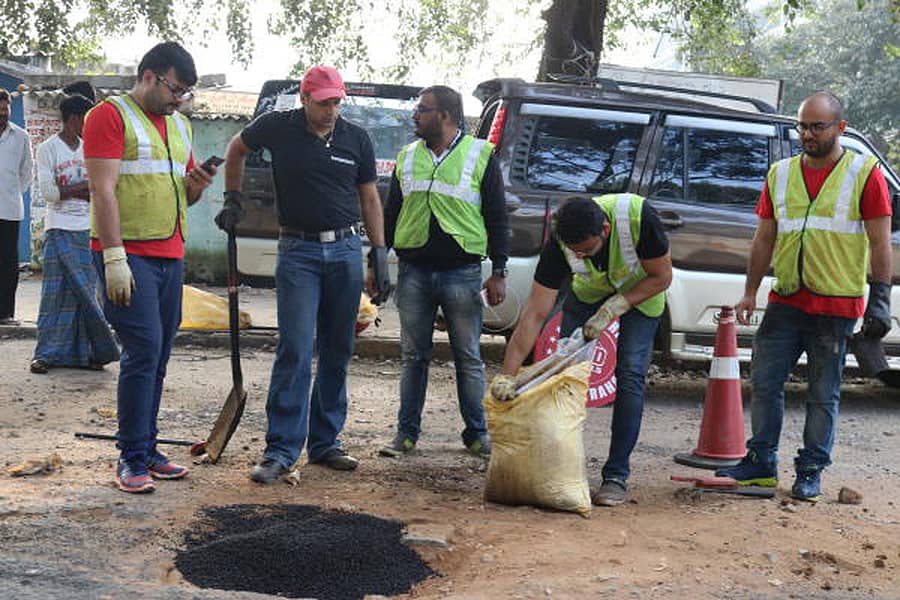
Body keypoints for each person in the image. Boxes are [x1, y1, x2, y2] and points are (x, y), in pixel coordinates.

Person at [217, 65, 391, 484]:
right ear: (305, 98)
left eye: (337, 102)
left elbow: (369, 197)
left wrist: (379, 253)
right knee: (295, 348)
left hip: (346, 249)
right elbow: (236, 149)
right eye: (324, 102)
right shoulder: (277, 127)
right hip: (299, 252)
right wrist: (232, 198)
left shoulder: (356, 138)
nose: (332, 109)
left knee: (337, 348)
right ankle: (280, 449)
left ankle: (325, 442)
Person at [716, 92, 892, 502]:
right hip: (787, 299)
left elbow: (881, 244)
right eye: (803, 126)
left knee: (822, 393)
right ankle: (760, 464)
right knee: (763, 382)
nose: (808, 135)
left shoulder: (864, 173)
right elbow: (764, 237)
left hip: (835, 304)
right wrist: (749, 291)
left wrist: (880, 299)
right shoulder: (780, 173)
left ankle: (810, 470)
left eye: (817, 127)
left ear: (840, 128)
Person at [84, 42, 215, 494]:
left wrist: (196, 187)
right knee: (142, 350)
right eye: (175, 89)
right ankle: (132, 456)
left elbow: (185, 195)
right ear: (149, 76)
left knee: (158, 354)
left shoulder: (180, 125)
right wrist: (114, 256)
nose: (179, 99)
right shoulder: (109, 116)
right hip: (129, 255)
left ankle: (148, 447)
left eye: (185, 94)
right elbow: (102, 191)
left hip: (169, 253)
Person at [490, 194, 672, 506]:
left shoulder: (639, 218)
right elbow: (534, 314)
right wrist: (507, 375)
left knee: (629, 376)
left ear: (604, 228)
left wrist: (615, 306)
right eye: (576, 253)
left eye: (587, 250)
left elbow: (662, 276)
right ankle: (556, 468)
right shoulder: (559, 243)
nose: (581, 256)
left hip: (643, 296)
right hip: (587, 296)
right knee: (564, 376)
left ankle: (616, 476)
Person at [377, 85, 509, 459]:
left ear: (446, 116)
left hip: (462, 272)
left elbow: (497, 217)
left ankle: (476, 434)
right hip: (414, 270)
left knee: (467, 357)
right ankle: (406, 434)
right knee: (412, 356)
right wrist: (377, 262)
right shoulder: (406, 156)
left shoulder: (480, 155)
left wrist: (498, 270)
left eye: (423, 109)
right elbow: (391, 213)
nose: (415, 115)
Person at [30, 93, 120, 374]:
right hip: (58, 229)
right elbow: (49, 193)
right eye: (86, 119)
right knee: (55, 295)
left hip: (86, 230)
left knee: (86, 296)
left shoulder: (89, 149)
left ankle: (91, 353)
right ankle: (46, 354)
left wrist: (75, 190)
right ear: (74, 119)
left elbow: (101, 191)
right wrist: (83, 189)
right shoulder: (48, 149)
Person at [0, 87, 34, 326]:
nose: (3, 113)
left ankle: (6, 313)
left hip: (9, 209)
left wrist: (13, 192)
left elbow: (27, 171)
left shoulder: (21, 136)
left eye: (5, 109)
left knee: (8, 263)